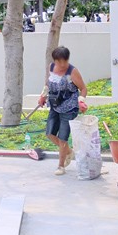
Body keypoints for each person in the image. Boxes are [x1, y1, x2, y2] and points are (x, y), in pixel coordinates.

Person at [38, 46, 88, 176]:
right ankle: (68, 152)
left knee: (63, 138)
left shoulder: (72, 71)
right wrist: (43, 96)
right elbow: (48, 83)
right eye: (59, 62)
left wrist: (81, 101)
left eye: (65, 61)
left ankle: (61, 166)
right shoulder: (51, 67)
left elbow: (83, 89)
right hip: (55, 104)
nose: (62, 64)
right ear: (55, 61)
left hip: (70, 106)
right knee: (50, 133)